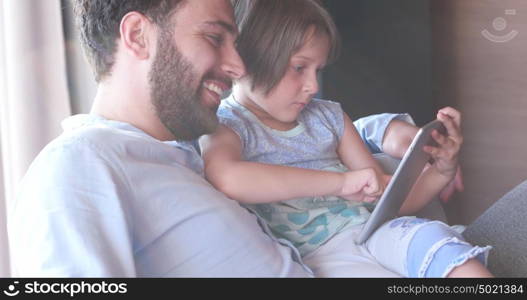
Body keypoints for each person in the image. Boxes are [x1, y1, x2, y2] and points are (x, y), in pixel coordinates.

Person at [8, 0, 315, 277]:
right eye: (214, 38)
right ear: (138, 35)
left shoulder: (194, 159)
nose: (238, 66)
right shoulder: (79, 163)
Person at [200, 0, 492, 277]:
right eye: (299, 68)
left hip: (376, 232)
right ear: (248, 60)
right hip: (317, 257)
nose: (313, 86)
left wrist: (442, 171)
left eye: (318, 70)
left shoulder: (329, 118)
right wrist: (341, 183)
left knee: (437, 242)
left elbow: (386, 201)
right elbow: (227, 177)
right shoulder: (228, 125)